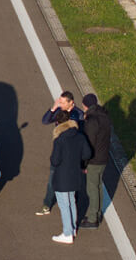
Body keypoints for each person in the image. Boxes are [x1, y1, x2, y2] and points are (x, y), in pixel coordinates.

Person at [35, 91, 83, 216]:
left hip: (72, 153)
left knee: (72, 180)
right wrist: (53, 108)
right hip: (59, 151)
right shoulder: (59, 111)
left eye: (62, 102)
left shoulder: (78, 114)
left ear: (70, 102)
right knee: (52, 178)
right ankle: (47, 204)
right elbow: (45, 121)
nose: (60, 104)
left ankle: (74, 206)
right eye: (59, 102)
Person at [49, 111, 92, 244]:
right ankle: (73, 229)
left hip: (62, 176)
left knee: (64, 204)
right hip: (75, 174)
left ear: (58, 123)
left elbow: (55, 161)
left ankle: (67, 233)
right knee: (72, 201)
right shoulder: (80, 136)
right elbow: (87, 154)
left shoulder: (59, 140)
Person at [81, 93, 113, 229]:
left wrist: (84, 163)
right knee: (98, 186)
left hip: (94, 159)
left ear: (86, 105)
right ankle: (97, 212)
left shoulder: (91, 121)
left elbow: (89, 143)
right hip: (104, 157)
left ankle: (93, 218)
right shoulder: (104, 117)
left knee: (92, 188)